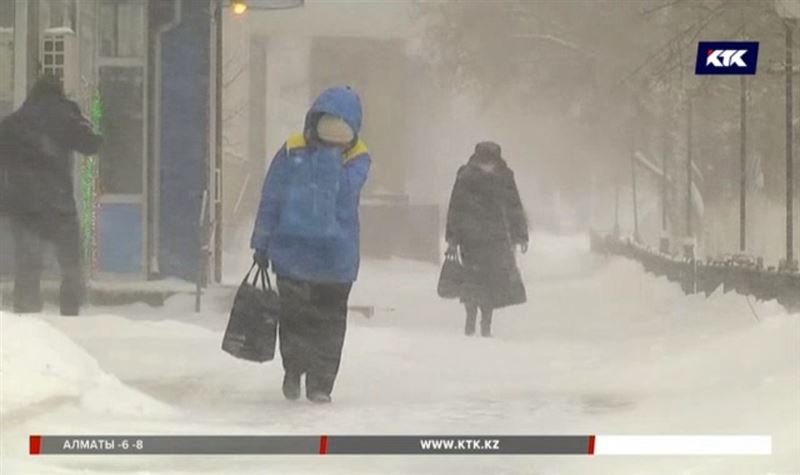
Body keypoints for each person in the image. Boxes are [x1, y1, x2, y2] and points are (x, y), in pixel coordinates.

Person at [251, 86, 370, 404]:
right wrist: (333, 155)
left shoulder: (293, 150)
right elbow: (345, 197)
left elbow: (271, 199)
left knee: (294, 319)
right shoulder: (355, 159)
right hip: (334, 262)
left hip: (294, 256)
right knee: (329, 324)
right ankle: (319, 384)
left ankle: (296, 371)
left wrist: (261, 242)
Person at [0, 75, 101, 316]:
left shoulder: (12, 123)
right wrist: (81, 120)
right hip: (59, 204)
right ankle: (70, 313)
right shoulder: (65, 116)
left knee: (27, 265)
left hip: (23, 205)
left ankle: (26, 316)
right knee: (70, 265)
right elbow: (91, 144)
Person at [445, 141, 528, 337]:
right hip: (487, 238)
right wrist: (520, 235)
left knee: (483, 279)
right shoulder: (500, 176)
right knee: (482, 280)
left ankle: (480, 322)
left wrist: (453, 236)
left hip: (478, 238)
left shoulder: (471, 176)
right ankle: (476, 320)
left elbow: (456, 207)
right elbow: (514, 206)